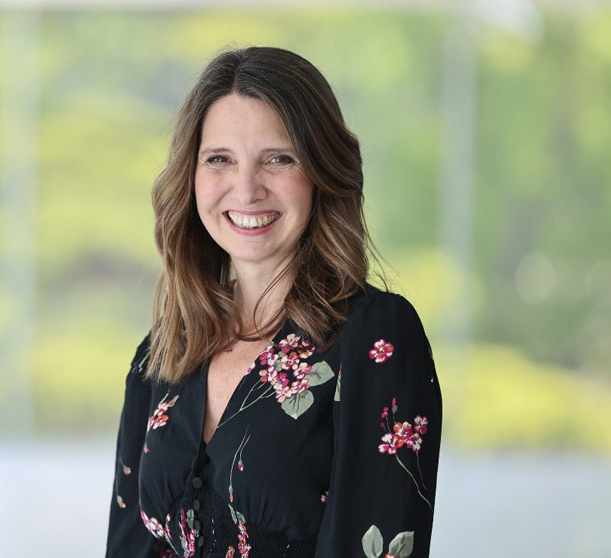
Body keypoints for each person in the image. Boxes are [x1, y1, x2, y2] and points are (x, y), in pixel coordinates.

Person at [106, 46, 441, 558]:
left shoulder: (376, 337)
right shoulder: (161, 354)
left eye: (278, 159)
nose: (246, 188)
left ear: (322, 172)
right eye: (220, 160)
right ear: (191, 177)